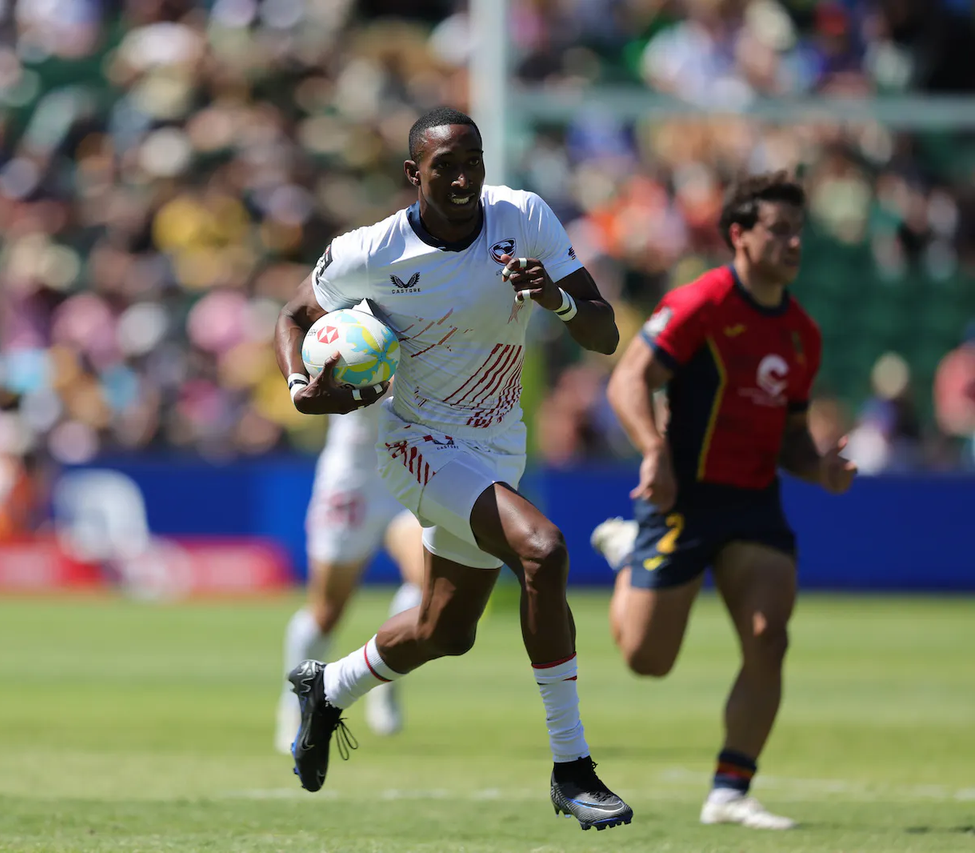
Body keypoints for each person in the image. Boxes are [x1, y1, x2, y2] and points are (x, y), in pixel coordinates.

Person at [273, 106, 632, 831]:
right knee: (544, 549)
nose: (464, 177)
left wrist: (555, 297)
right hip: (417, 445)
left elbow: (604, 331)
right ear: (415, 174)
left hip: (497, 446)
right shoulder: (372, 251)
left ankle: (328, 685)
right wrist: (300, 389)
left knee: (446, 627)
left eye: (473, 161)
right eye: (446, 166)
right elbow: (292, 316)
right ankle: (572, 767)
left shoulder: (524, 217)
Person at [595, 171, 856, 830]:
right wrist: (652, 451)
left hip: (754, 503)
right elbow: (630, 379)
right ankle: (630, 552)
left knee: (769, 637)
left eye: (800, 231)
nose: (795, 242)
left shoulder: (803, 334)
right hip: (683, 497)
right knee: (647, 661)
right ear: (739, 235)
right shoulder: (702, 303)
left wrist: (819, 468)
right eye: (780, 230)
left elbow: (792, 437)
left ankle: (730, 789)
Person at [275, 400, 426, 753]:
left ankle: (386, 670)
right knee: (326, 613)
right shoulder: (341, 343)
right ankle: (295, 703)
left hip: (408, 469)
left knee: (427, 585)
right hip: (353, 481)